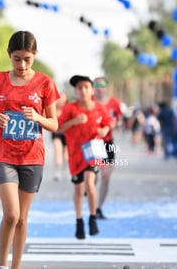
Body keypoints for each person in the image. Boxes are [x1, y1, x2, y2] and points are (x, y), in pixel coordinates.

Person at [0, 31, 59, 269]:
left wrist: (37, 117)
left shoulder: (45, 83)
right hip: (4, 156)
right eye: (16, 59)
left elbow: (54, 123)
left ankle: (16, 266)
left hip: (33, 158)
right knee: (11, 214)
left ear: (35, 55)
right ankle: (2, 264)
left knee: (23, 219)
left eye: (27, 58)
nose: (22, 65)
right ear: (8, 55)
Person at [58, 75, 111, 239]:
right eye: (79, 87)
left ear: (92, 89)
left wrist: (104, 131)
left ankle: (92, 218)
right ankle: (79, 220)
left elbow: (107, 124)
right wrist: (74, 121)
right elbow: (58, 128)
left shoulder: (100, 108)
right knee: (78, 189)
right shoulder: (69, 109)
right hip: (75, 153)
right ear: (75, 91)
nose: (83, 90)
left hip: (93, 150)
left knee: (90, 183)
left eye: (86, 87)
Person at [92, 76, 123, 219]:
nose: (99, 87)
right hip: (94, 143)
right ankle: (91, 199)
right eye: (96, 84)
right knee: (94, 177)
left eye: (102, 84)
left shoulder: (114, 103)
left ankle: (99, 208)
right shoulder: (89, 103)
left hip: (109, 142)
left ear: (106, 87)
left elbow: (119, 119)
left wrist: (115, 124)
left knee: (106, 177)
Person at [51, 91, 69, 181]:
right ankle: (57, 171)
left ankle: (66, 170)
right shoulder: (54, 107)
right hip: (57, 133)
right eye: (60, 97)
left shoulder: (68, 107)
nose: (61, 98)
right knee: (58, 151)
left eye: (63, 97)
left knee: (66, 153)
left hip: (67, 133)